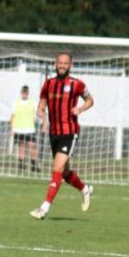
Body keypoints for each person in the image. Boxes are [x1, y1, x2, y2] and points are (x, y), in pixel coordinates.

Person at [30, 52, 94, 219]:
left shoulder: (77, 84)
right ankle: (85, 189)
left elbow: (90, 100)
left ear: (70, 65)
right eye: (60, 63)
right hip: (54, 133)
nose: (62, 66)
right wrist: (40, 110)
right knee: (64, 173)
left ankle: (44, 208)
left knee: (57, 168)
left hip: (69, 132)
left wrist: (80, 109)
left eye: (65, 63)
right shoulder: (48, 83)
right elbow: (42, 101)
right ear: (55, 64)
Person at [11, 84, 41, 173]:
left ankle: (34, 164)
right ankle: (21, 165)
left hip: (30, 129)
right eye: (23, 92)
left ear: (28, 93)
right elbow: (12, 116)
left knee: (32, 146)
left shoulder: (33, 102)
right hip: (18, 129)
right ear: (21, 93)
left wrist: (40, 119)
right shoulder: (16, 103)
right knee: (21, 146)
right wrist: (12, 129)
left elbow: (37, 113)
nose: (25, 94)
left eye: (26, 92)